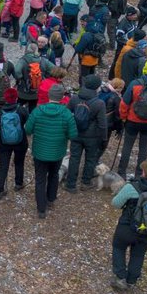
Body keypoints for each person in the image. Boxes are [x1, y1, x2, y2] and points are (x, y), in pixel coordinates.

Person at [110, 159, 147, 290]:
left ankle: (120, 277)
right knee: (138, 253)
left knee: (119, 247)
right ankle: (132, 280)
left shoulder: (131, 187)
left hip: (127, 228)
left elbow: (115, 203)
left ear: (144, 172)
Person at [25, 84, 77, 219]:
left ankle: (41, 209)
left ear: (49, 96)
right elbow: (73, 135)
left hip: (40, 152)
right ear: (61, 97)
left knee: (40, 179)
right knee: (54, 175)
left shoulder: (38, 111)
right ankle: (50, 200)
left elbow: (28, 130)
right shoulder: (66, 114)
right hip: (57, 152)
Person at [65, 74, 107, 192]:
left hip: (76, 134)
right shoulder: (99, 103)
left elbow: (67, 114)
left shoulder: (74, 98)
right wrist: (104, 139)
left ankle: (71, 184)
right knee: (90, 159)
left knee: (74, 158)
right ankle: (85, 182)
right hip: (92, 137)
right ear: (97, 87)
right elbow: (102, 124)